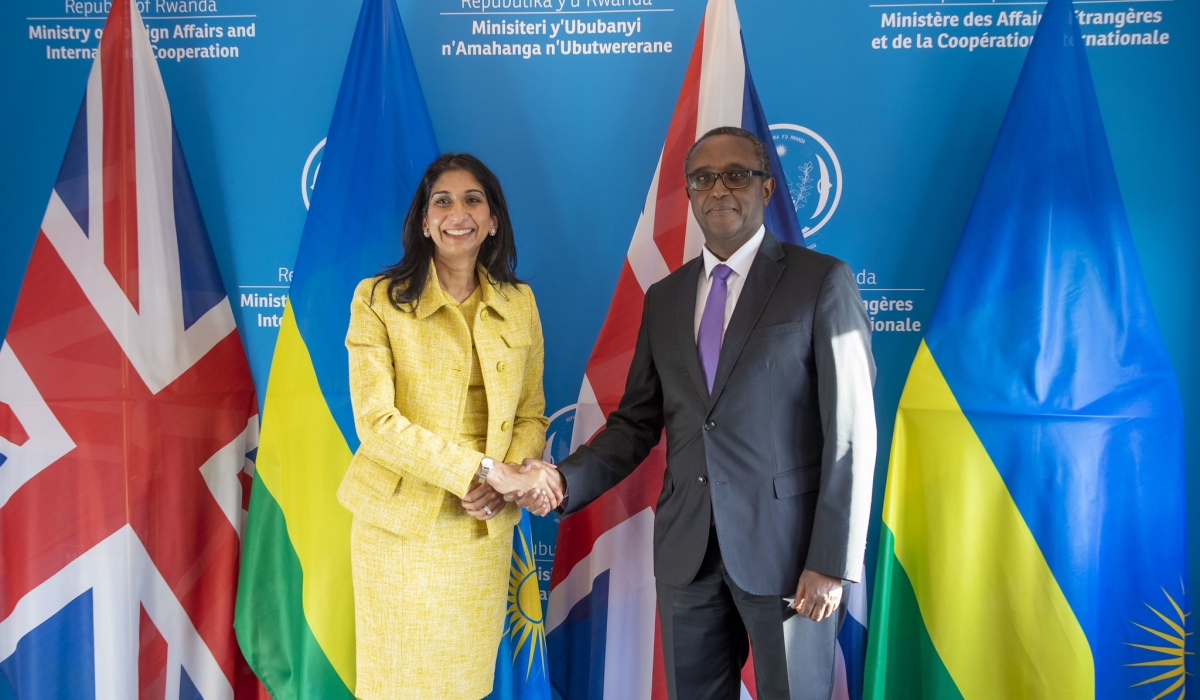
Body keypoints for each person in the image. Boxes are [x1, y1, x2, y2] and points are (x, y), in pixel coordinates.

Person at [519, 127, 876, 700]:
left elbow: (851, 434)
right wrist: (562, 480)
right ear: (688, 193)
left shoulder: (820, 281)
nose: (719, 189)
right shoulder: (665, 297)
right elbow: (635, 423)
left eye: (736, 175)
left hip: (790, 557)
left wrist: (831, 560)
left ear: (765, 188)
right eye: (703, 179)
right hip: (688, 555)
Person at [337, 153, 563, 700]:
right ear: (423, 221)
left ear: (493, 221)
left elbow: (531, 412)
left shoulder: (520, 302)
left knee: (464, 683)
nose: (457, 213)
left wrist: (506, 480)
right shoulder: (378, 299)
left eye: (472, 200)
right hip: (399, 525)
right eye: (442, 201)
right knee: (396, 684)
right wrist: (482, 470)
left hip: (481, 523)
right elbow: (377, 423)